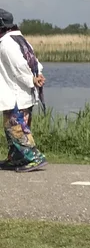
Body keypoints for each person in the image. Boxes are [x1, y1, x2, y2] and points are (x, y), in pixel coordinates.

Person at [0, 10, 47, 172]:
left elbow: (19, 67)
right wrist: (38, 74)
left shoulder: (6, 43)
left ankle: (34, 158)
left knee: (15, 126)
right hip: (23, 92)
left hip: (15, 92)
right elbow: (34, 60)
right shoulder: (19, 39)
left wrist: (31, 79)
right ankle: (15, 158)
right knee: (13, 125)